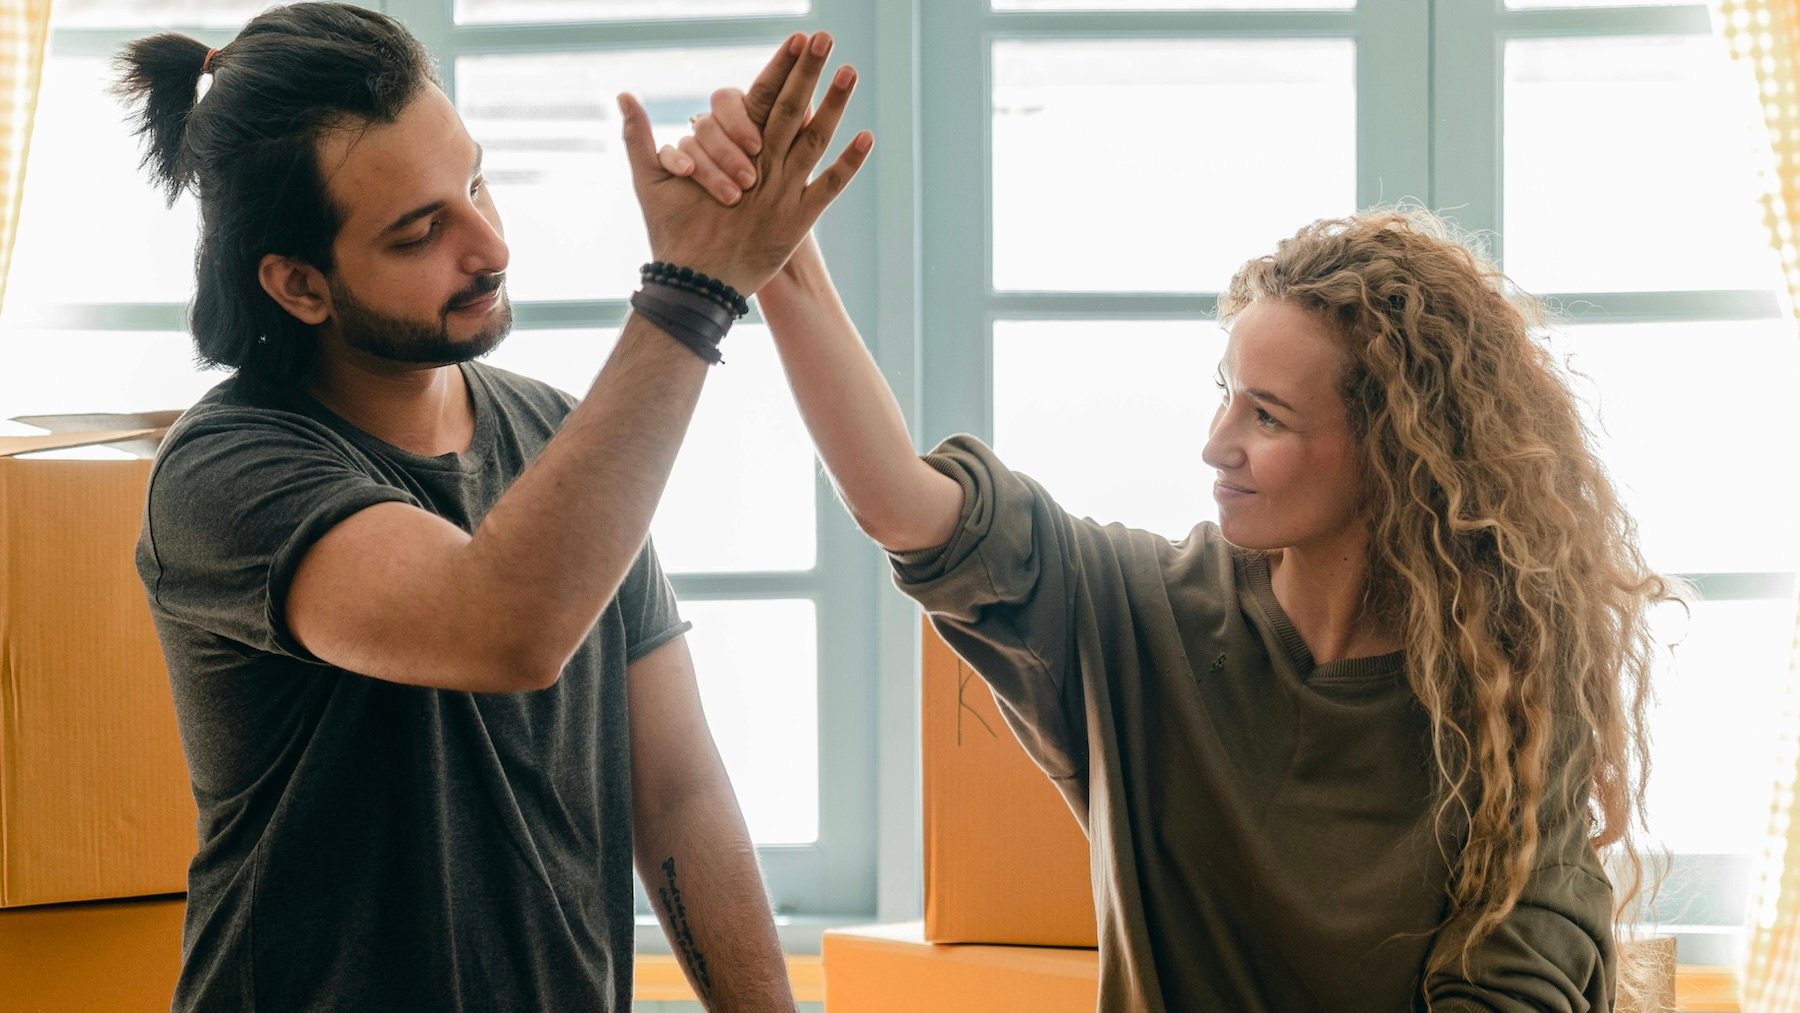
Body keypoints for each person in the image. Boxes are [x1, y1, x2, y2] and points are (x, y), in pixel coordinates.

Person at [670, 75, 1673, 1011]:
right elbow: (900, 500)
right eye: (1224, 394)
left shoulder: (1507, 703)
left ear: (1396, 453)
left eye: (1267, 417)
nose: (1216, 444)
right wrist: (777, 253)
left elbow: (1519, 984)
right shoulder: (1138, 611)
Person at [118, 6, 870, 1010]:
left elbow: (678, 791)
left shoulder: (565, 441)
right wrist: (693, 291)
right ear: (300, 285)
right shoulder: (224, 474)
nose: (489, 244)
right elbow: (504, 627)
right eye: (422, 230)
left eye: (475, 181)